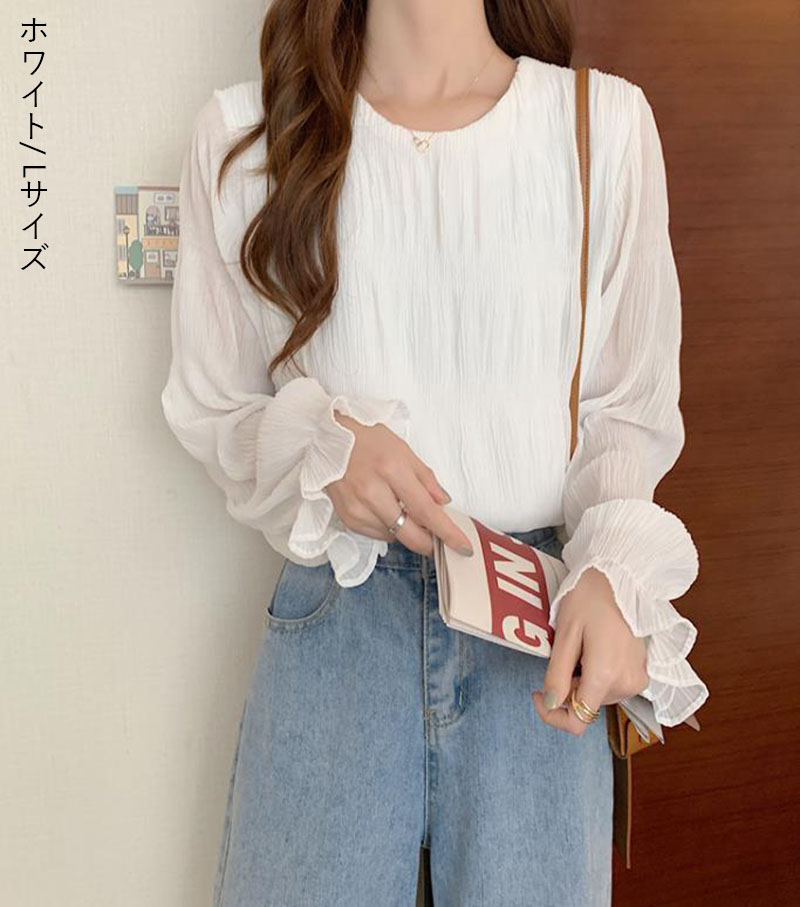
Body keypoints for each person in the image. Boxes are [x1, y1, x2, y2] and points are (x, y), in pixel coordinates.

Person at [161, 2, 709, 904]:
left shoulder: (602, 127)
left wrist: (612, 574)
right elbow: (214, 404)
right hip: (339, 612)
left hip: (536, 624)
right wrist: (325, 447)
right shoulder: (248, 138)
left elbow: (626, 411)